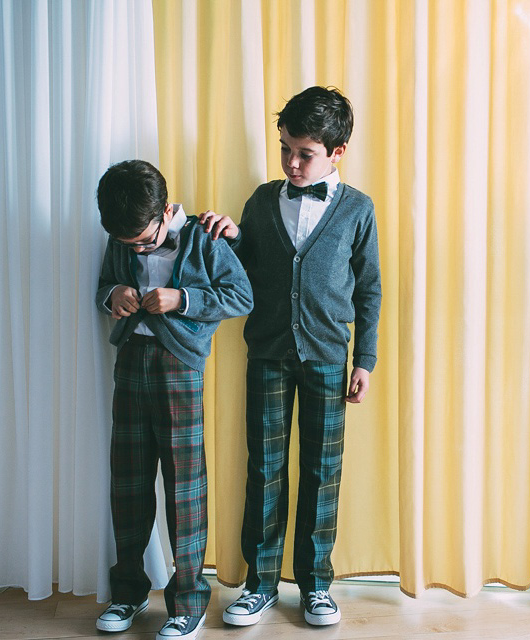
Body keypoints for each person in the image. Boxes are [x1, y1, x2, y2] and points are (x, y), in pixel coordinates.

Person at [199, 86, 382, 627]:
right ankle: (259, 584)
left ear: (337, 152)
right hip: (269, 354)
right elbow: (242, 270)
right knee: (265, 470)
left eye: (305, 152)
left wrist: (364, 360)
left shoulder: (357, 210)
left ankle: (316, 584)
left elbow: (369, 289)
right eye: (285, 149)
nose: (293, 162)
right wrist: (230, 236)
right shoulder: (260, 200)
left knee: (323, 472)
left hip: (330, 356)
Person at [94, 159, 253, 639]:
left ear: (166, 211)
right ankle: (128, 592)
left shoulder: (204, 239)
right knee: (128, 482)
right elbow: (104, 283)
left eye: (144, 240)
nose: (138, 248)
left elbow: (240, 296)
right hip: (130, 364)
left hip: (180, 369)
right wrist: (114, 294)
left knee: (185, 486)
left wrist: (181, 299)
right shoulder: (122, 234)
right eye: (129, 245)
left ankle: (187, 602)